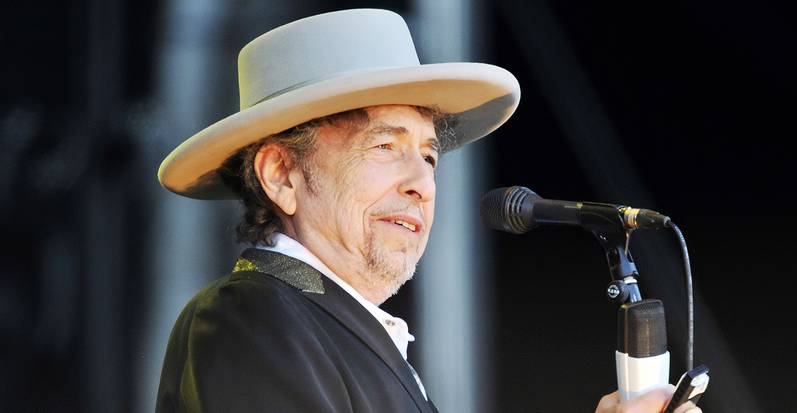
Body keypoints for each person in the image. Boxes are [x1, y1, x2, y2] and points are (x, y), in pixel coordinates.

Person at [155, 9, 700, 413]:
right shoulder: (247, 318)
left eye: (429, 155)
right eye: (385, 146)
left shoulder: (338, 329)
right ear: (281, 175)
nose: (422, 184)